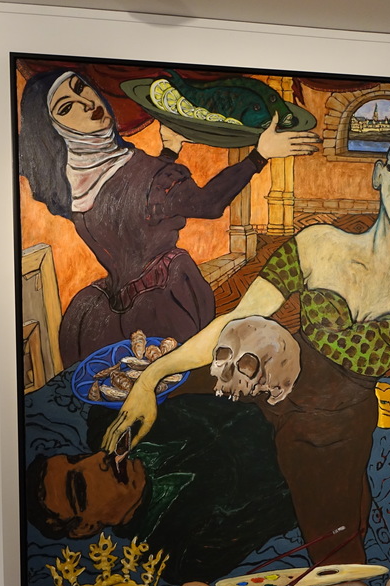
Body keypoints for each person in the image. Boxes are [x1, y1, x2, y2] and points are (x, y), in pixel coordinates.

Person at [102, 106, 390, 564]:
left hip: (338, 416)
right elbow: (236, 319)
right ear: (378, 175)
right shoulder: (319, 243)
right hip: (271, 366)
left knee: (333, 544)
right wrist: (152, 376)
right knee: (134, 398)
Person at [19, 69, 319, 367]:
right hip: (165, 300)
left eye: (80, 87)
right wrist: (259, 155)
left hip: (117, 309)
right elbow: (207, 204)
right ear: (54, 128)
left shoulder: (70, 181)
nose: (86, 103)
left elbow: (135, 205)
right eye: (66, 108)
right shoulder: (140, 174)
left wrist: (168, 152)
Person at [25, 394, 298, 584]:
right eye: (80, 487)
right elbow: (292, 504)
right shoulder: (183, 555)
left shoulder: (109, 422)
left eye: (78, 457)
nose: (98, 459)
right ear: (86, 528)